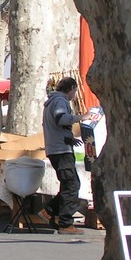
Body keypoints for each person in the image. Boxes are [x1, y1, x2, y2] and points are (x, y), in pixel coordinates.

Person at [40, 76, 84, 234]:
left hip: (58, 148)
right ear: (71, 88)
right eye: (74, 91)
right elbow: (61, 118)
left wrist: (69, 138)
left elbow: (55, 126)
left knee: (68, 184)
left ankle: (51, 211)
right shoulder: (60, 101)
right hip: (60, 151)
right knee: (72, 185)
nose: (74, 95)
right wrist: (80, 117)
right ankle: (64, 222)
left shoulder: (52, 101)